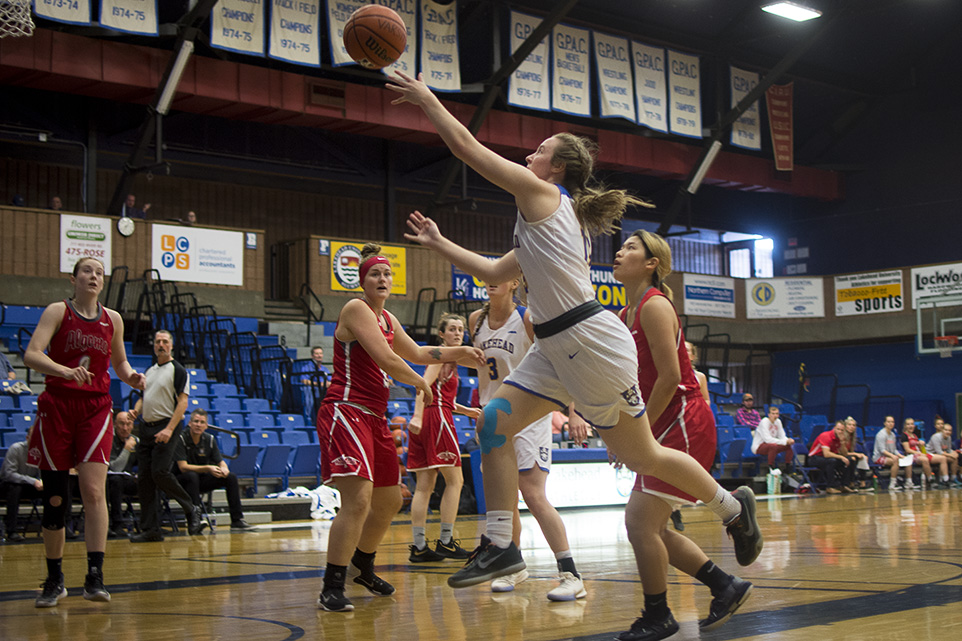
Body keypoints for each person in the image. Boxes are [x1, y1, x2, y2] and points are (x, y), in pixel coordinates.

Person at [389, 70, 762, 629]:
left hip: (587, 340)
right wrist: (441, 244)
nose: (529, 153)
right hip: (555, 347)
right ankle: (500, 544)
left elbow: (466, 147)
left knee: (642, 457)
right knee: (492, 425)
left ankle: (733, 509)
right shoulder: (536, 223)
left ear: (555, 168)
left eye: (539, 150)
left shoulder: (543, 195)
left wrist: (426, 100)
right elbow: (494, 270)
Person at [316, 243, 484, 613]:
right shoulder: (356, 308)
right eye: (374, 273)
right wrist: (420, 384)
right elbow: (389, 359)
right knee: (358, 499)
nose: (382, 278)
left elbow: (421, 353)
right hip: (346, 409)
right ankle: (332, 583)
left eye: (387, 274)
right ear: (362, 281)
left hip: (374, 416)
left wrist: (462, 353)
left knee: (391, 499)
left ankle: (362, 563)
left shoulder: (388, 319)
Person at [613, 230, 753, 635]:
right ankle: (724, 585)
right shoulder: (624, 315)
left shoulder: (655, 306)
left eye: (631, 248)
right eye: (621, 248)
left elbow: (671, 376)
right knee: (651, 528)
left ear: (651, 263)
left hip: (683, 420)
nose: (620, 253)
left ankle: (659, 615)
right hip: (660, 423)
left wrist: (639, 431)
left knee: (640, 525)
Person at [22, 256, 146, 606]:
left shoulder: (113, 320)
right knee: (56, 497)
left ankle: (95, 575)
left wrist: (132, 377)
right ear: (74, 278)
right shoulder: (57, 311)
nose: (93, 276)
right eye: (87, 271)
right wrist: (63, 371)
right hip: (58, 406)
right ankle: (54, 577)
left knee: (93, 491)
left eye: (99, 272)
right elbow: (32, 354)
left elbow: (119, 363)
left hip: (95, 408)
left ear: (102, 282)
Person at [469, 279, 587, 601]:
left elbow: (556, 365)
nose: (492, 280)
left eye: (500, 276)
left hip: (530, 415)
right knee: (504, 500)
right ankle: (512, 565)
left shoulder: (525, 318)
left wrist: (573, 412)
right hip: (494, 418)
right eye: (489, 276)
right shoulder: (475, 320)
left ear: (515, 283)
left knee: (533, 495)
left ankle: (571, 574)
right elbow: (482, 365)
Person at [407, 313, 481, 563]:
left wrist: (466, 410)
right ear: (441, 334)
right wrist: (417, 416)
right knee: (455, 480)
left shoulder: (449, 360)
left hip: (432, 415)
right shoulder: (439, 356)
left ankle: (418, 546)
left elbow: (441, 396)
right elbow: (422, 387)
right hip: (436, 418)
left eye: (461, 329)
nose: (458, 333)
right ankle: (446, 541)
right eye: (452, 329)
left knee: (425, 485)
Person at [130, 329, 205, 542]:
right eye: (157, 342)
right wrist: (136, 410)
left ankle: (191, 508)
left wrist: (170, 429)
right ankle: (151, 529)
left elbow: (183, 403)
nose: (160, 345)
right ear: (153, 345)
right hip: (146, 428)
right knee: (144, 479)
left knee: (160, 472)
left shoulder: (178, 370)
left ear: (171, 346)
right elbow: (145, 397)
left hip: (167, 426)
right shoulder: (150, 371)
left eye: (164, 342)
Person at [174, 408, 254, 530]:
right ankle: (196, 520)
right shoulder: (181, 439)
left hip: (201, 480)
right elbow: (183, 467)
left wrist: (224, 468)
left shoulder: (210, 439)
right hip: (182, 481)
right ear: (189, 423)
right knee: (192, 476)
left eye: (202, 422)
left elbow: (220, 461)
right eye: (196, 421)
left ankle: (237, 520)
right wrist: (208, 468)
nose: (198, 425)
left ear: (206, 426)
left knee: (230, 477)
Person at [1, 425, 42, 543]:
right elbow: (9, 474)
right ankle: (11, 531)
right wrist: (33, 481)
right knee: (15, 488)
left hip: (28, 486)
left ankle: (55, 527)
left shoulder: (41, 453)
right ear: (27, 437)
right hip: (9, 485)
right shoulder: (16, 449)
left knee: (53, 489)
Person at [106, 410, 139, 538]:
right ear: (114, 424)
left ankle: (152, 524)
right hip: (111, 481)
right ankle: (117, 524)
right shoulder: (109, 439)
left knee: (152, 480)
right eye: (121, 424)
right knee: (116, 480)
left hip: (129, 480)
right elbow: (115, 467)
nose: (125, 428)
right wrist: (127, 449)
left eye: (128, 424)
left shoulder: (136, 440)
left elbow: (143, 463)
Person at [807, 421, 855, 494]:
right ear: (834, 428)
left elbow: (844, 454)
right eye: (838, 429)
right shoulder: (826, 436)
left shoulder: (840, 437)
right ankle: (830, 487)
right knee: (832, 461)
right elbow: (826, 454)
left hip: (827, 458)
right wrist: (841, 457)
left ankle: (844, 485)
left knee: (849, 460)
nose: (840, 431)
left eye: (842, 430)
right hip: (814, 458)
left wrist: (842, 442)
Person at [899, 417, 945, 489]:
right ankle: (930, 479)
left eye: (912, 424)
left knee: (942, 458)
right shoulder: (904, 436)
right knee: (925, 459)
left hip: (920, 454)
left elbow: (921, 449)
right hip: (911, 456)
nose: (910, 426)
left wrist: (921, 446)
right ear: (905, 426)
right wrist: (919, 453)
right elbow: (907, 450)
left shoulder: (915, 436)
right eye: (908, 424)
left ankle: (944, 480)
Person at [751, 406, 795, 473]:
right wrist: (784, 441)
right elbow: (767, 440)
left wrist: (788, 441)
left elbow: (782, 436)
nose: (775, 415)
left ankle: (788, 466)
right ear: (769, 415)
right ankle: (771, 467)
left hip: (772, 444)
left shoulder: (778, 421)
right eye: (773, 413)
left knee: (789, 446)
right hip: (759, 446)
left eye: (776, 414)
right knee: (773, 446)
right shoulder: (764, 421)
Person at [872, 415, 909, 492]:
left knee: (906, 459)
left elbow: (894, 449)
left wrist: (900, 455)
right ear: (885, 423)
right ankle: (892, 484)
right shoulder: (881, 434)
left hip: (889, 457)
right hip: (878, 457)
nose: (890, 423)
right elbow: (882, 450)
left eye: (892, 422)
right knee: (895, 460)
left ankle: (909, 482)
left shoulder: (892, 435)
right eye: (888, 422)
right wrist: (893, 456)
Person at [927, 419, 960, 488]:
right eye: (946, 430)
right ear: (942, 430)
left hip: (940, 455)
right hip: (930, 454)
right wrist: (950, 454)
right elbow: (939, 452)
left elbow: (948, 449)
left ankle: (953, 478)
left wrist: (954, 453)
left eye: (949, 430)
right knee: (943, 458)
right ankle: (945, 479)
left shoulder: (949, 438)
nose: (948, 432)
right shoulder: (936, 437)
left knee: (954, 458)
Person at [840, 417, 869, 490]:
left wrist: (858, 455)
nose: (851, 427)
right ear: (845, 426)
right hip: (839, 455)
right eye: (849, 425)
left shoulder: (852, 437)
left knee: (863, 457)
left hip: (847, 454)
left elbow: (850, 451)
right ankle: (851, 482)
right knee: (852, 459)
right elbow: (842, 452)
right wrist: (855, 454)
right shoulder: (842, 435)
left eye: (853, 425)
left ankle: (863, 482)